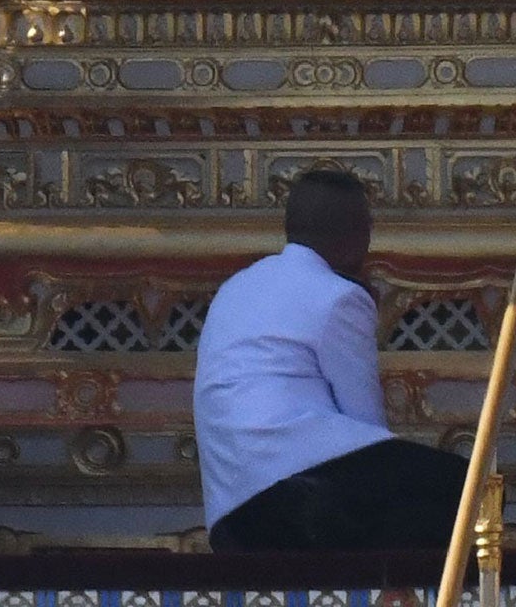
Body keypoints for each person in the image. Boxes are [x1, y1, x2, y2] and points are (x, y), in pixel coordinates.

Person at [193, 168, 467, 550]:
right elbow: (364, 420)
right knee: (469, 490)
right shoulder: (338, 296)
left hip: (230, 511)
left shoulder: (236, 286)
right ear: (358, 233)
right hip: (299, 494)